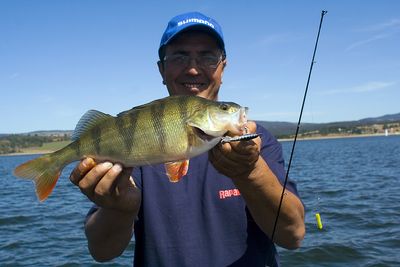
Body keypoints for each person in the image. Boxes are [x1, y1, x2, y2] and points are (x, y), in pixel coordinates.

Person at [69, 11, 305, 267]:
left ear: (222, 67)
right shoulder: (136, 148)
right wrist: (119, 209)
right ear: (162, 69)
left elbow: (293, 235)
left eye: (208, 56)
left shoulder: (258, 142)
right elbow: (102, 252)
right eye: (180, 56)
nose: (193, 68)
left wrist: (251, 172)